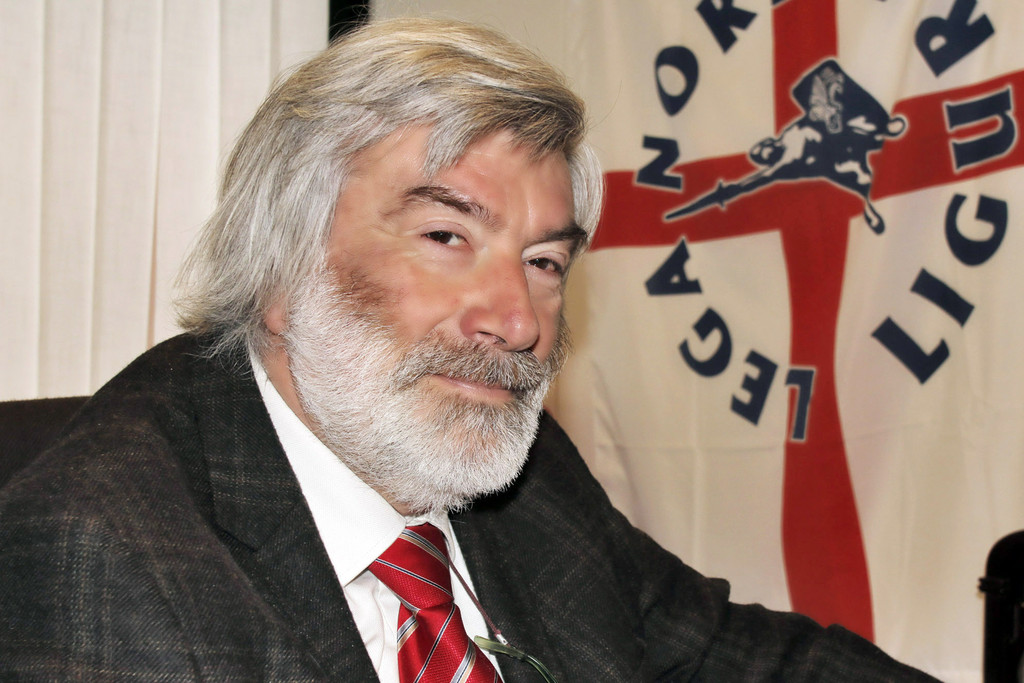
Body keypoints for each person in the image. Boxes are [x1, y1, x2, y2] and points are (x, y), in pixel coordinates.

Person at [0, 17, 935, 682]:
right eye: (447, 237)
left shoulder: (505, 464)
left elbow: (737, 657)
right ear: (281, 267)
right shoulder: (100, 557)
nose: (518, 321)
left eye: (543, 262)